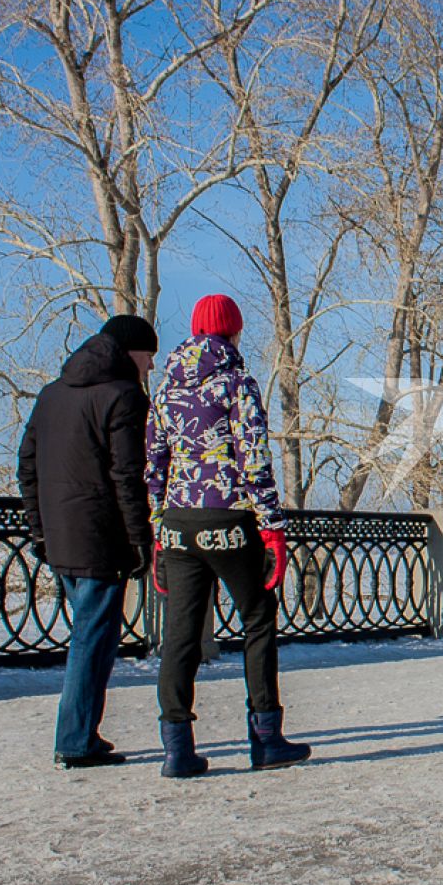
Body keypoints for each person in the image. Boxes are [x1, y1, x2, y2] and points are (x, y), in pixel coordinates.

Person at [146, 294, 310, 778]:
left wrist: (160, 529)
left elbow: (152, 466)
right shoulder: (237, 384)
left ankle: (176, 748)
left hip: (178, 522)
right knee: (258, 618)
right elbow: (253, 460)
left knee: (180, 634)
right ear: (233, 333)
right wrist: (273, 528)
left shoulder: (166, 389)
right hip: (228, 519)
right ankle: (265, 738)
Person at [18, 316, 159, 770]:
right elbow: (127, 477)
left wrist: (39, 529)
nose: (151, 365)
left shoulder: (52, 394)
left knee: (90, 635)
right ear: (129, 351)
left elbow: (27, 467)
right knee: (92, 640)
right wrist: (142, 540)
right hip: (101, 537)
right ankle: (76, 740)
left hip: (60, 537)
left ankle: (83, 734)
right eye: (148, 355)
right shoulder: (124, 396)